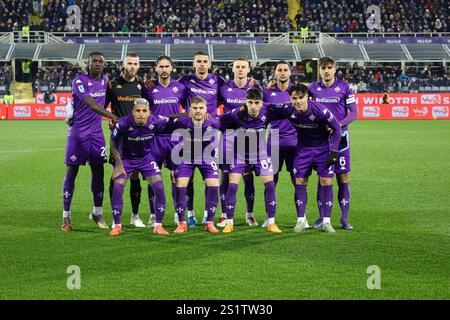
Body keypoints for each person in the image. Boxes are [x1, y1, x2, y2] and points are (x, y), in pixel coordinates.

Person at [270, 84, 342, 233]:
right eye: (294, 98)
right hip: (303, 150)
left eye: (301, 98)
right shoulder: (288, 109)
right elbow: (268, 107)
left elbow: (337, 128)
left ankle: (326, 222)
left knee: (326, 181)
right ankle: (301, 220)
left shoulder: (319, 110)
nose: (298, 101)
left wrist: (334, 152)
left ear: (307, 97)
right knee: (300, 182)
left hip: (323, 149)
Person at [61, 51, 119, 231]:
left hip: (96, 135)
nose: (97, 64)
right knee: (72, 171)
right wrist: (112, 116)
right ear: (88, 63)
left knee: (98, 171)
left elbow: (113, 97)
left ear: (104, 64)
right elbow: (92, 105)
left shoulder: (105, 81)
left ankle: (97, 212)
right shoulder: (79, 81)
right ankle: (66, 216)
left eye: (100, 62)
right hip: (78, 134)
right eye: (94, 61)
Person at [220, 88, 281, 234]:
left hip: (260, 155)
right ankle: (229, 223)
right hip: (240, 155)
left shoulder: (268, 111)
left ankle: (271, 223)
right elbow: (220, 121)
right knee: (233, 187)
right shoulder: (237, 113)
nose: (253, 106)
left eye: (256, 103)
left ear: (261, 103)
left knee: (270, 186)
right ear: (245, 102)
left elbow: (287, 110)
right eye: (250, 102)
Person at [308, 56, 358, 230]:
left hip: (341, 139)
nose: (326, 71)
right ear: (319, 70)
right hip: (320, 140)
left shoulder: (345, 88)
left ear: (335, 69)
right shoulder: (312, 89)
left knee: (342, 176)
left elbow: (353, 113)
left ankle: (344, 219)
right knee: (322, 178)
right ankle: (322, 217)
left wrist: (337, 125)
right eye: (323, 68)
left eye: (329, 67)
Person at [177, 51, 225, 227]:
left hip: (210, 134)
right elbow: (178, 98)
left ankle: (207, 214)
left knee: (210, 176)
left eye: (205, 61)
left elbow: (226, 95)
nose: (202, 64)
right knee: (187, 178)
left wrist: (210, 117)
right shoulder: (185, 80)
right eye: (199, 61)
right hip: (189, 134)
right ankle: (189, 214)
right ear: (194, 63)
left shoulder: (217, 81)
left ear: (210, 64)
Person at [109, 98, 169, 236]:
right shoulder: (123, 123)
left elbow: (172, 119)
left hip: (146, 159)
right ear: (132, 112)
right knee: (118, 187)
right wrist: (118, 164)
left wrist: (188, 113)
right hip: (126, 159)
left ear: (149, 113)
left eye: (144, 111)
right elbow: (113, 142)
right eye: (138, 111)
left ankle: (158, 226)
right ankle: (117, 225)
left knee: (159, 187)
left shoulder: (156, 121)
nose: (141, 114)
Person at [142, 55, 187, 227]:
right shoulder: (148, 88)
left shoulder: (180, 88)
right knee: (153, 177)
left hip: (175, 139)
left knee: (177, 177)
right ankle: (153, 214)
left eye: (167, 66)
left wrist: (175, 118)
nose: (164, 70)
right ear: (156, 68)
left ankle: (178, 213)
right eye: (161, 67)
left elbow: (188, 109)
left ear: (172, 68)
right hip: (154, 138)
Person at [217, 57, 261, 227]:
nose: (241, 69)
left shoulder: (256, 88)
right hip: (228, 137)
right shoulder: (224, 88)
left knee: (248, 178)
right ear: (233, 69)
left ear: (248, 69)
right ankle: (223, 214)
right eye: (238, 67)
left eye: (244, 67)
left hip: (249, 138)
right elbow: (214, 105)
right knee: (226, 177)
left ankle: (249, 214)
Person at [167, 96, 220, 234]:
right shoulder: (181, 121)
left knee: (214, 185)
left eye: (201, 108)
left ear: (206, 109)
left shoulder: (214, 122)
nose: (198, 111)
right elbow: (164, 124)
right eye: (195, 108)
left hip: (207, 158)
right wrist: (171, 164)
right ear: (190, 110)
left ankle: (209, 222)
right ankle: (182, 223)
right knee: (180, 185)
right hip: (186, 157)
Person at [105, 53, 147, 228]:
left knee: (135, 174)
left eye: (135, 63)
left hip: (138, 136)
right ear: (123, 64)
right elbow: (103, 105)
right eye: (129, 63)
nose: (132, 66)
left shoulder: (142, 85)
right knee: (116, 175)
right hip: (119, 136)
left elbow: (148, 107)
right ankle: (115, 214)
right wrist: (110, 117)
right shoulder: (113, 85)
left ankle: (135, 215)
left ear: (138, 66)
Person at [264, 61, 302, 227]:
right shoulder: (266, 92)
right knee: (271, 181)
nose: (282, 73)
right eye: (279, 70)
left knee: (299, 180)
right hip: (274, 142)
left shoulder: (298, 91)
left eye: (285, 70)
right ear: (275, 72)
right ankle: (270, 218)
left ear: (290, 72)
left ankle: (302, 217)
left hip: (295, 141)